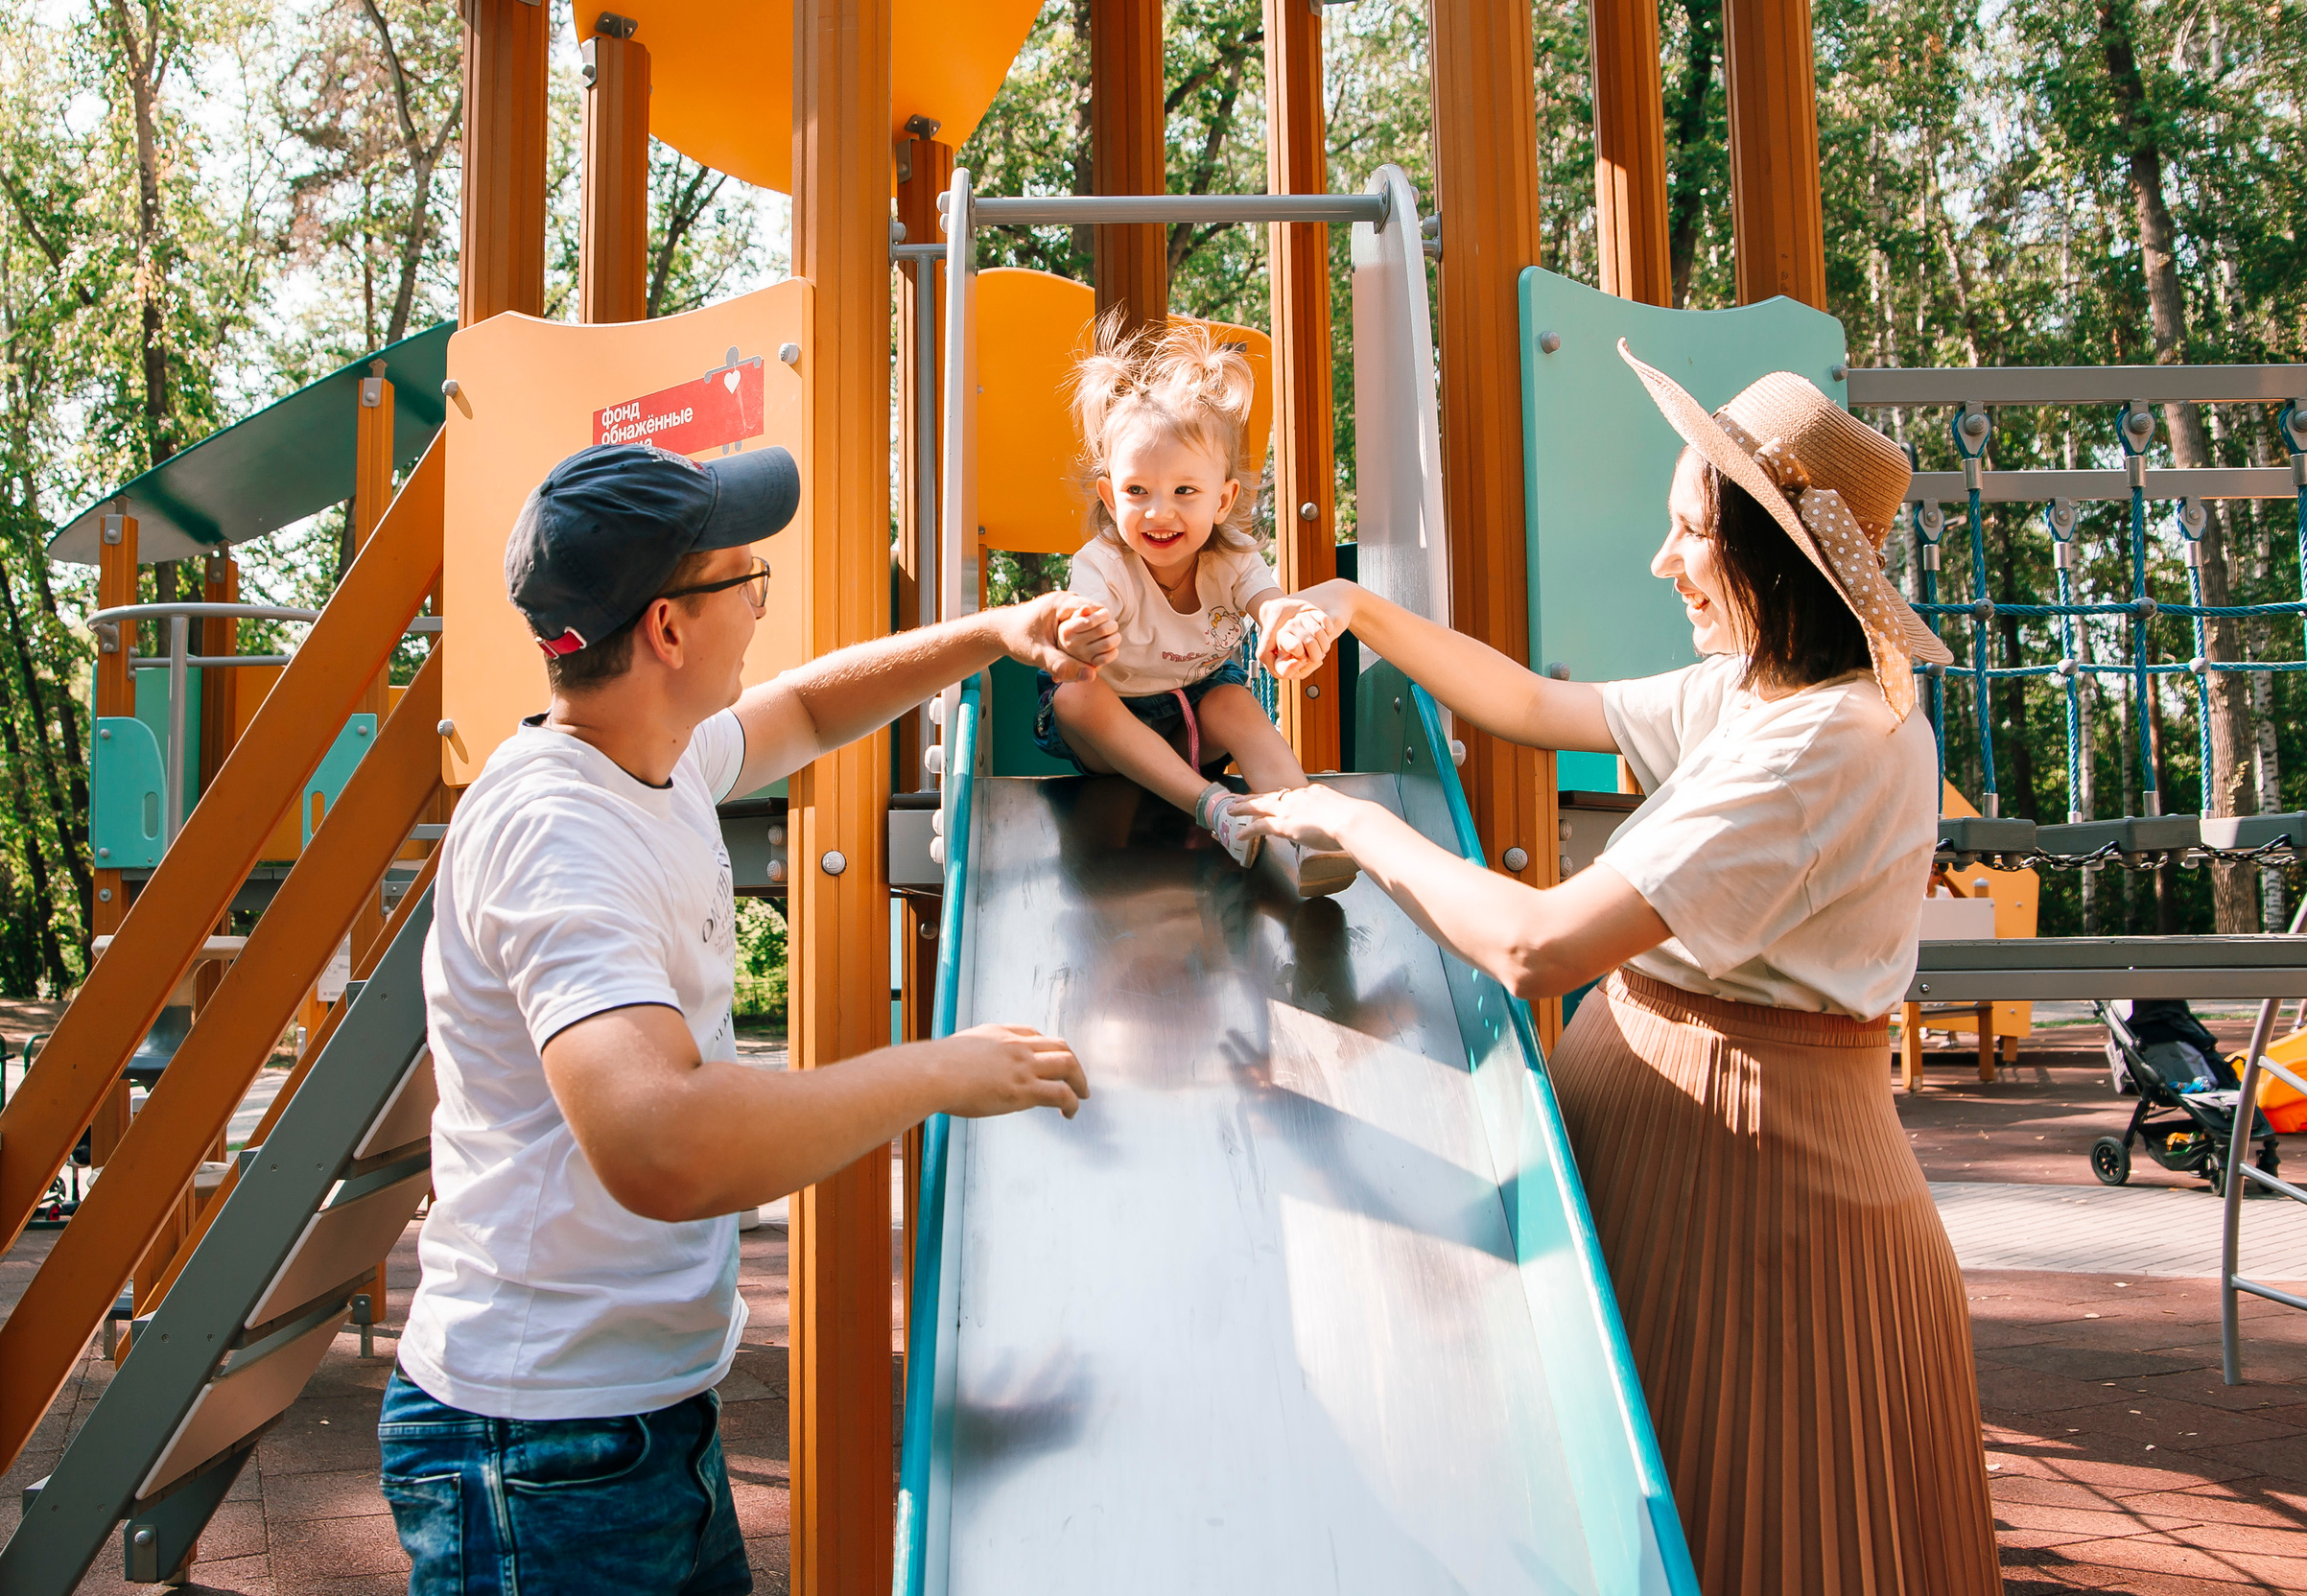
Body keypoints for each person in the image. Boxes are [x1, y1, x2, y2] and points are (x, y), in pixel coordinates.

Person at [1234, 345, 2004, 1593]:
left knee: (1752, 1521)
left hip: (1763, 1206)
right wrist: (1354, 604)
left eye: (1689, 531)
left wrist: (1360, 825)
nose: (1665, 561)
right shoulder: (1759, 695)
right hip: (1697, 1173)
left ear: (1766, 550)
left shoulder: (1825, 744)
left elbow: (1539, 945)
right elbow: (1539, 705)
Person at [380, 441, 1098, 1595]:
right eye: (747, 579)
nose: (763, 606)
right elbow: (663, 1143)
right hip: (542, 1453)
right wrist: (940, 1071)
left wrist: (991, 634)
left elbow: (808, 707)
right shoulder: (560, 833)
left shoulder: (653, 755)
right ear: (667, 628)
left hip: (638, 1417)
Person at [1030, 321, 1357, 897]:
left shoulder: (1231, 556)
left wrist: (1290, 621)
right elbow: (1085, 613)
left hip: (1196, 724)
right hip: (1116, 739)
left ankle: (1306, 831)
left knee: (1234, 699)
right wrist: (1079, 634)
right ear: (1110, 496)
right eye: (1138, 492)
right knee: (1075, 694)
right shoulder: (1104, 563)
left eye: (1185, 492)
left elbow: (1268, 602)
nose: (1160, 512)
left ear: (1222, 498)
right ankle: (1216, 809)